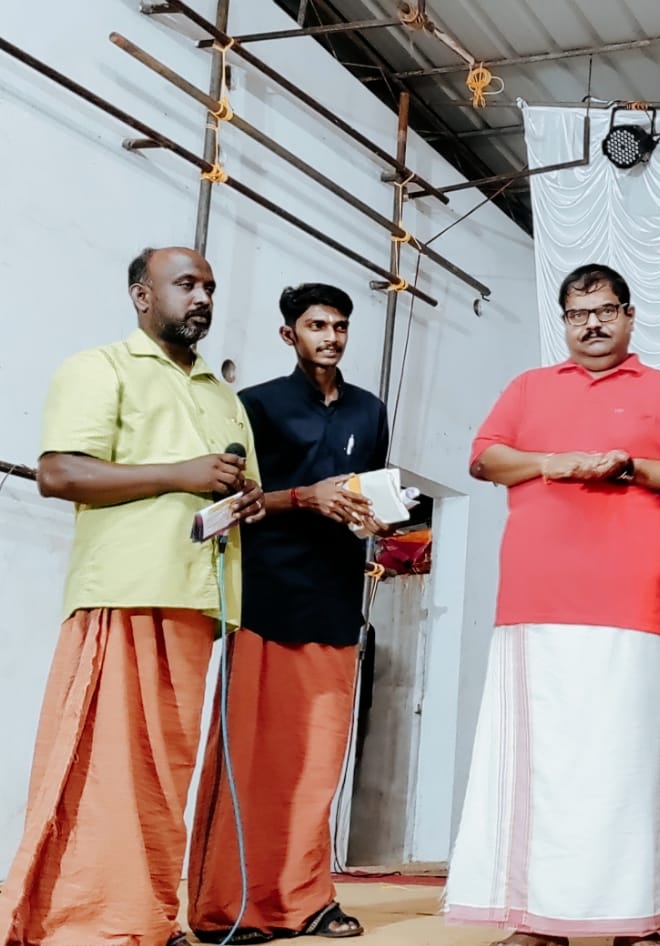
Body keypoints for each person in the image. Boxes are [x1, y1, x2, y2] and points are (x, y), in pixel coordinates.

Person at [445, 264, 660, 946]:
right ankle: (536, 920)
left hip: (632, 600)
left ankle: (639, 917)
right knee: (539, 763)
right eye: (577, 314)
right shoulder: (530, 388)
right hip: (537, 599)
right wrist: (556, 461)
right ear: (564, 322)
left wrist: (631, 467)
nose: (592, 323)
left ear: (629, 316)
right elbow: (484, 458)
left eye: (604, 310)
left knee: (629, 760)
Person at [0, 247, 264, 946]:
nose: (202, 297)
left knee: (163, 775)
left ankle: (146, 914)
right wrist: (182, 472)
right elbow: (58, 473)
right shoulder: (98, 368)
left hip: (197, 598)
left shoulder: (222, 394)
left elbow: (234, 486)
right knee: (107, 767)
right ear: (142, 296)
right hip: (123, 590)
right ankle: (87, 920)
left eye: (209, 285)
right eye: (185, 284)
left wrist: (248, 501)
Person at [187, 283, 390, 943]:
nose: (330, 336)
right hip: (265, 599)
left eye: (339, 326)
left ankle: (307, 901)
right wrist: (304, 498)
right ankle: (229, 908)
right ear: (289, 335)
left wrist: (372, 514)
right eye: (316, 325)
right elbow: (235, 503)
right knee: (246, 760)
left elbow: (372, 496)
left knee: (317, 762)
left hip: (335, 602)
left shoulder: (369, 410)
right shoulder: (257, 405)